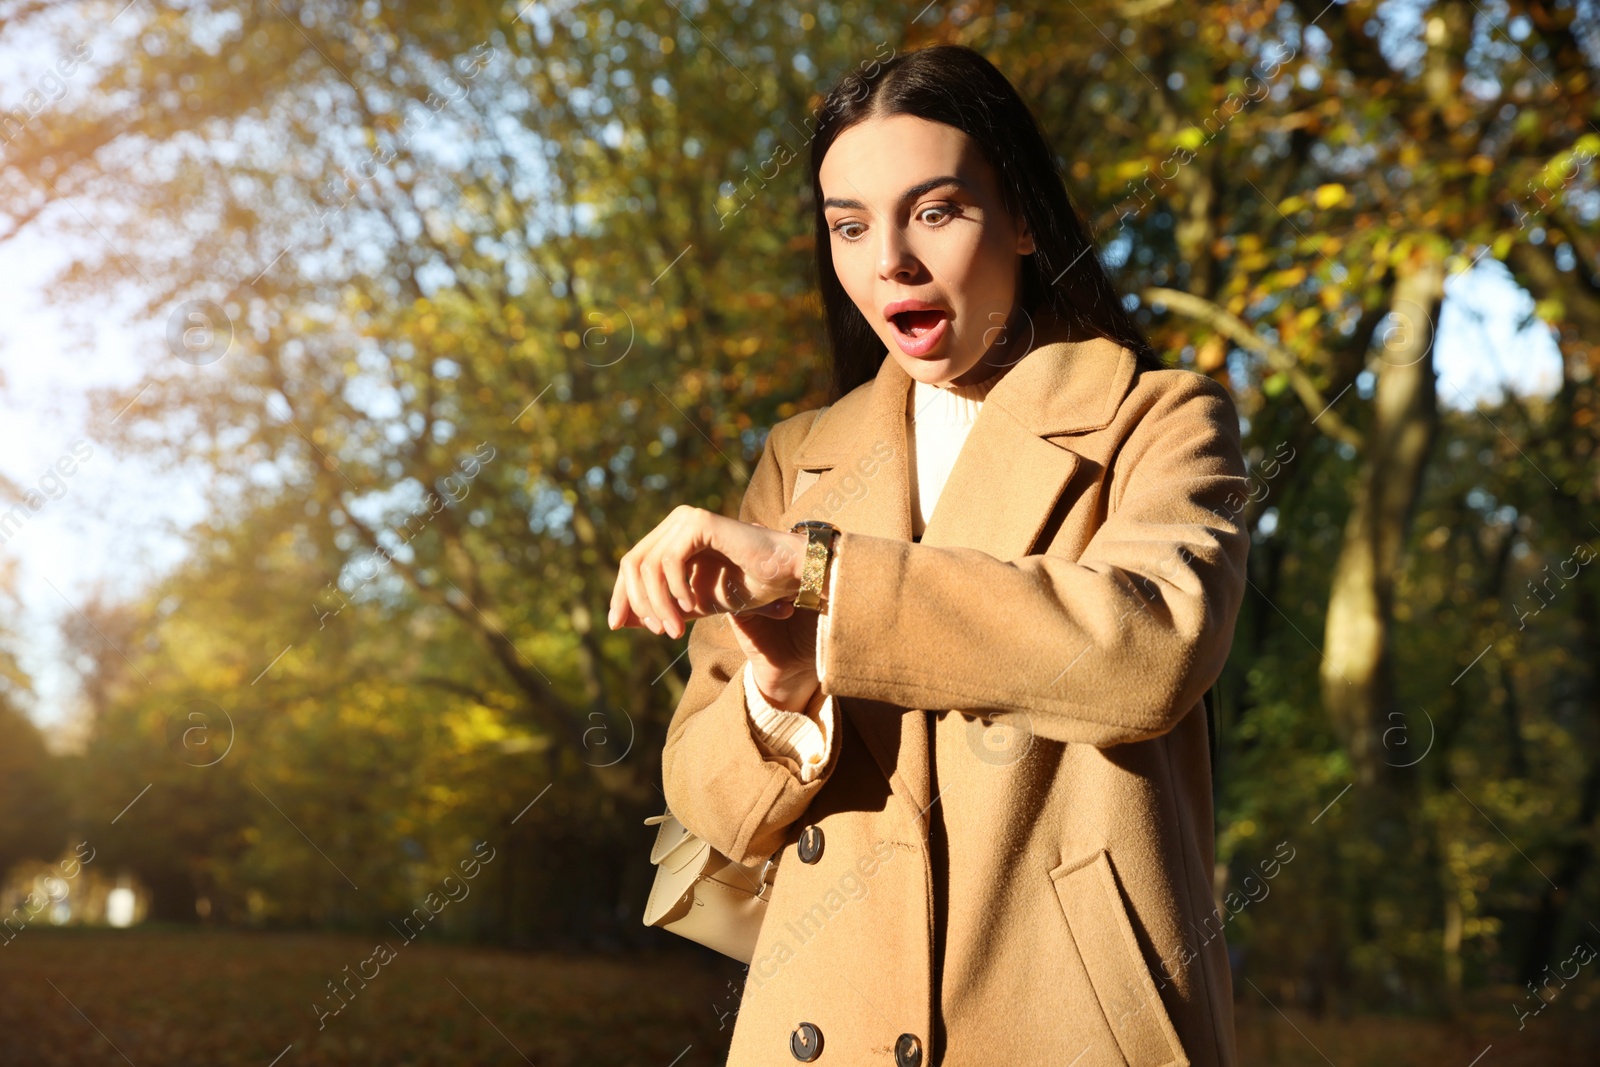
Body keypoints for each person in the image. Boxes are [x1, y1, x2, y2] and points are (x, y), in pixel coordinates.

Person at [610, 44, 1249, 1067]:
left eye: (936, 211)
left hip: (1070, 1020)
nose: (888, 261)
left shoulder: (1158, 417)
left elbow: (1149, 649)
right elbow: (711, 801)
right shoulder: (798, 457)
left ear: (1025, 219)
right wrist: (780, 687)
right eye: (848, 225)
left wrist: (820, 575)